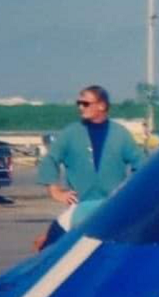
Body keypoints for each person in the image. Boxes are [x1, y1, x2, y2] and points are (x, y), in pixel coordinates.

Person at [35, 85, 143, 246]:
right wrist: (55, 190)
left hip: (112, 207)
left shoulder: (121, 134)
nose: (80, 107)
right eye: (78, 103)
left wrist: (130, 190)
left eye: (85, 103)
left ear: (102, 105)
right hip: (80, 208)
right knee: (50, 247)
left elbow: (141, 163)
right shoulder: (70, 133)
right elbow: (50, 159)